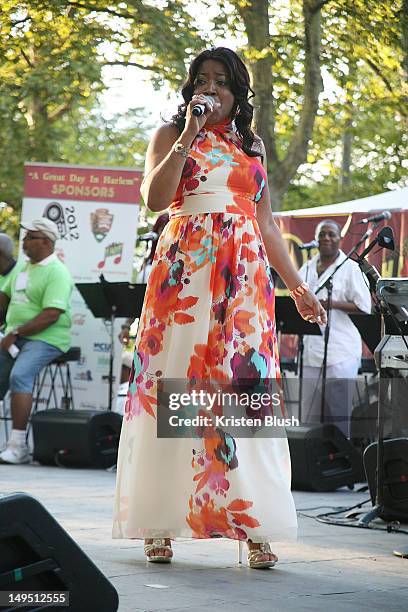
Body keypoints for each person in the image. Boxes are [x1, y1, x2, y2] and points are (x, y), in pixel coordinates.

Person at [113, 47, 326, 569]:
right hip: (185, 277)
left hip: (245, 282)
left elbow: (269, 225)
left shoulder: (251, 144)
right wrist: (188, 135)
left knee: (243, 394)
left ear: (238, 92)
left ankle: (252, 523)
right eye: (201, 80)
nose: (210, 89)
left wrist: (296, 287)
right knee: (173, 387)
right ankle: (158, 520)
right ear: (190, 89)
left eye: (221, 81)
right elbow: (155, 200)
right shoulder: (169, 135)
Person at [0, 219, 73, 464]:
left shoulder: (57, 272)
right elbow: (4, 298)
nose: (24, 242)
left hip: (45, 338)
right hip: (15, 336)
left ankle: (18, 446)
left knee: (20, 375)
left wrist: (17, 333)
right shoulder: (22, 267)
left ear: (45, 241)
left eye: (30, 237)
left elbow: (51, 314)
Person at [298, 219, 372, 438]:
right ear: (316, 239)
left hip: (341, 354)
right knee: (308, 418)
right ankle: (311, 467)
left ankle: (342, 466)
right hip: (311, 353)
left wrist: (330, 304)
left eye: (331, 234)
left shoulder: (350, 268)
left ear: (340, 239)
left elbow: (365, 307)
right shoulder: (308, 267)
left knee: (338, 417)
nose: (326, 238)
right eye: (322, 235)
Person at [119, 213, 170, 346]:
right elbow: (138, 300)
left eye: (168, 227)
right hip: (150, 326)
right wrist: (126, 326)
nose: (166, 232)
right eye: (162, 228)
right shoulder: (148, 266)